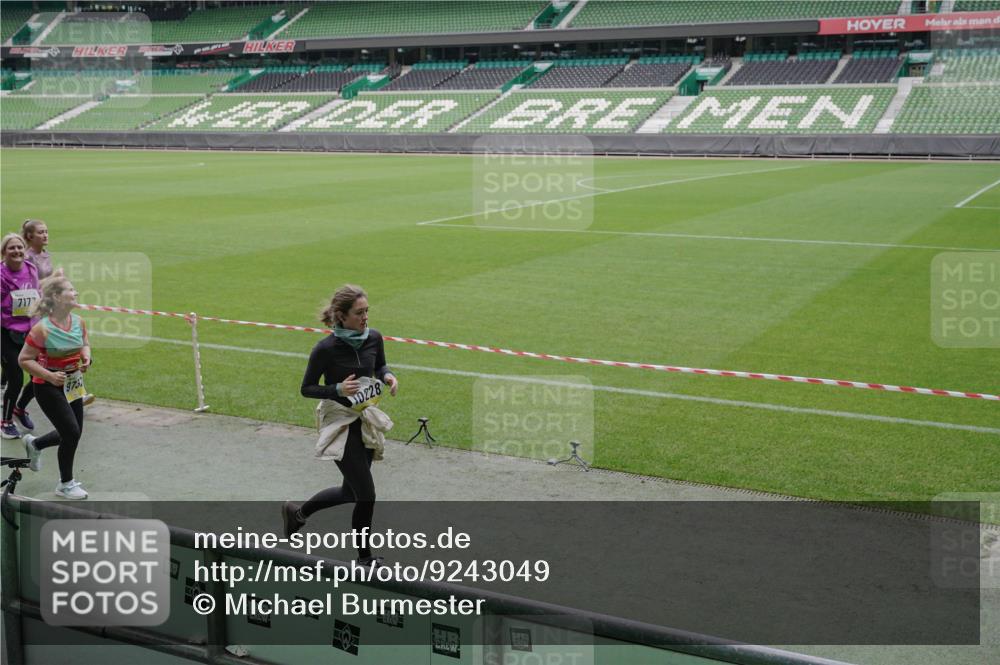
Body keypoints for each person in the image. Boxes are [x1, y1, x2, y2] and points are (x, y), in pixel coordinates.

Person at [285, 284, 399, 565]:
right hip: (338, 420)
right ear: (341, 315)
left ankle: (296, 515)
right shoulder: (325, 348)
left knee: (350, 492)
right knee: (366, 494)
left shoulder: (374, 337)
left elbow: (380, 365)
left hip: (364, 417)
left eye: (367, 312)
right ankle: (364, 559)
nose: (365, 318)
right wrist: (337, 388)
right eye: (359, 313)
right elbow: (307, 388)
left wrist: (388, 376)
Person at [18, 273, 92, 500]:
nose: (75, 293)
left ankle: (36, 444)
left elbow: (85, 344)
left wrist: (87, 356)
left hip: (72, 383)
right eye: (71, 290)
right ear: (58, 298)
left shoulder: (78, 322)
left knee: (74, 433)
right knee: (70, 432)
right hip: (47, 387)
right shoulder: (42, 329)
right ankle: (65, 484)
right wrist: (49, 376)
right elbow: (24, 360)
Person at [21, 219, 95, 407]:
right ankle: (19, 406)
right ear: (30, 236)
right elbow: (30, 286)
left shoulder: (46, 255)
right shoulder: (26, 258)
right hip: (38, 312)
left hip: (51, 308)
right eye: (41, 232)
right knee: (40, 363)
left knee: (65, 351)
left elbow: (49, 285)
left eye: (46, 231)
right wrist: (55, 278)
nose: (45, 235)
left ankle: (76, 391)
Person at [1, 234, 40, 439]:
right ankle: (5, 422)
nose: (16, 251)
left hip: (29, 332)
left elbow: (36, 294)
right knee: (15, 378)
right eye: (11, 248)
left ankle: (20, 408)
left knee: (39, 376)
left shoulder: (30, 268)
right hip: (5, 333)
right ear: (3, 252)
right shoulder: (1, 275)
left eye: (19, 247)